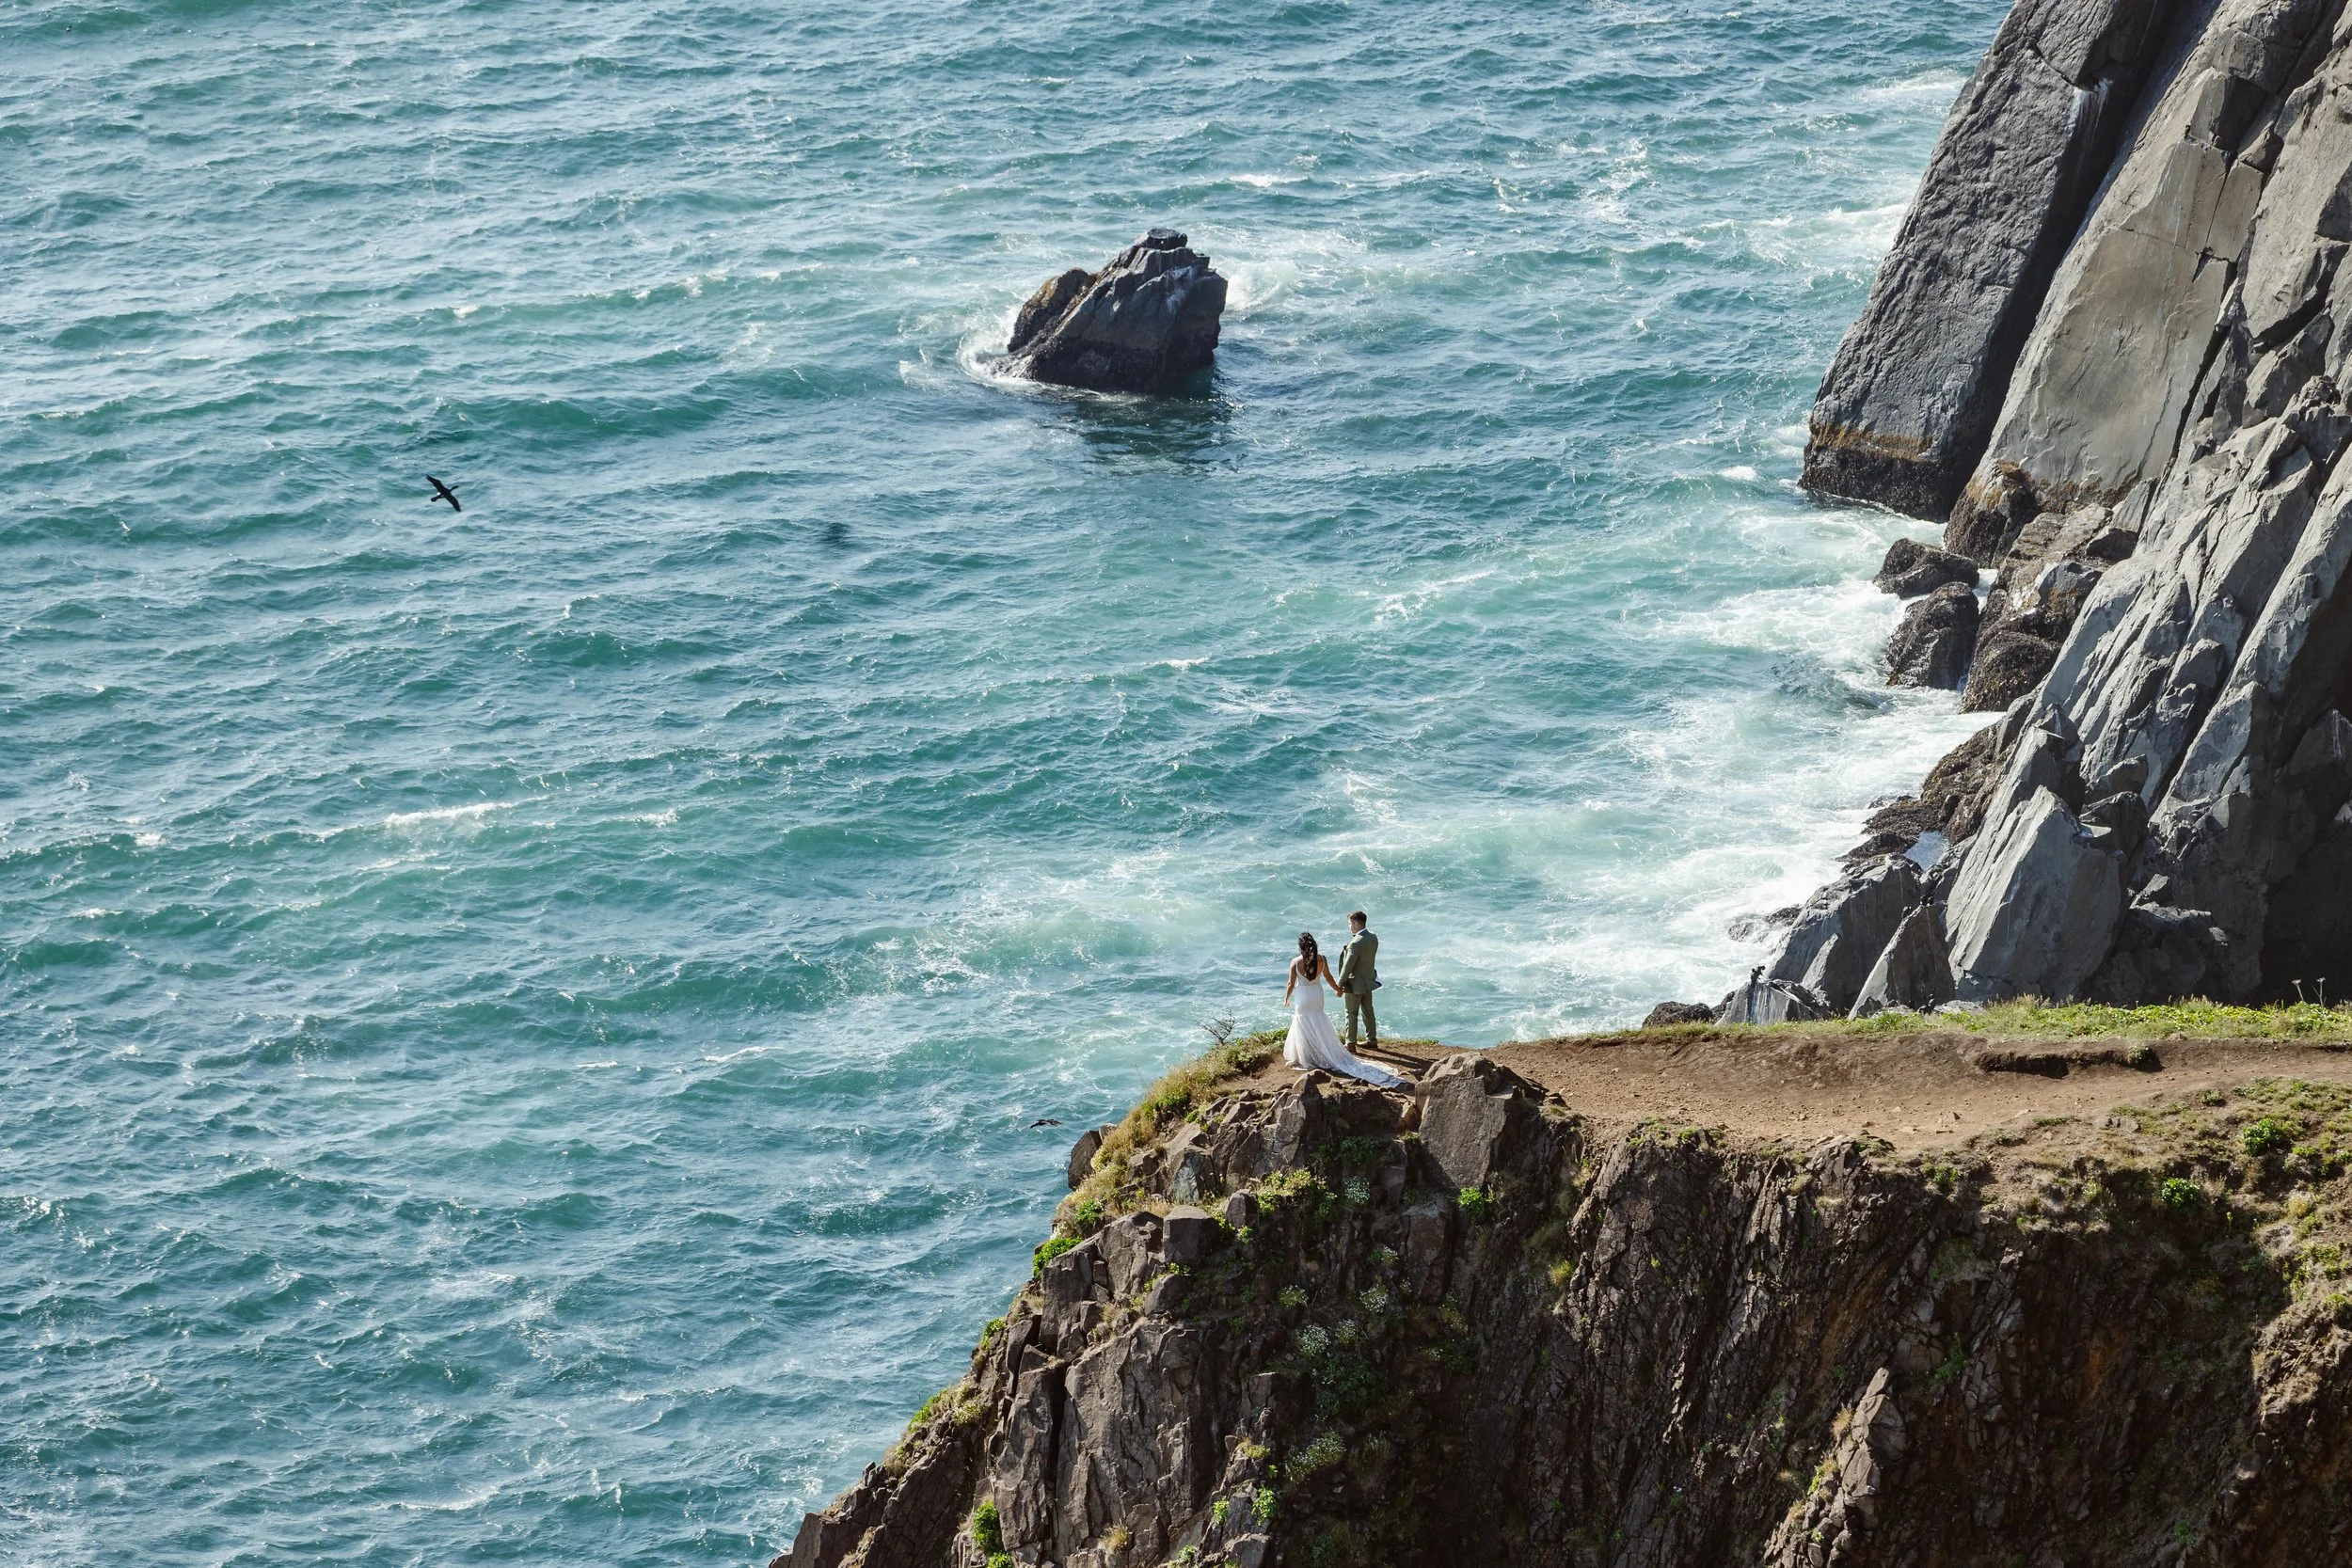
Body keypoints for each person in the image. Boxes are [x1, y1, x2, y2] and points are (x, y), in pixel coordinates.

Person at [1282, 930, 1405, 1087]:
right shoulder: (1322, 960)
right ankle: (1322, 1051)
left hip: (1303, 996)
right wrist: (1337, 989)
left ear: (1300, 947)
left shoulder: (1295, 962)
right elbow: (1329, 977)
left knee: (1303, 1023)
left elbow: (1290, 984)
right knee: (1318, 1020)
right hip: (1317, 995)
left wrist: (1287, 998)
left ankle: (1307, 1056)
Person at [1334, 911, 1379, 1051]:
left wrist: (1339, 985)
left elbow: (1348, 966)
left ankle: (1350, 1043)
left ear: (1356, 923)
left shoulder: (1355, 943)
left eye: (1349, 924)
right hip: (1368, 981)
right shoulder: (1373, 938)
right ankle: (1371, 1039)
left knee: (1351, 1013)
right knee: (1368, 1011)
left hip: (1355, 984)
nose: (1349, 927)